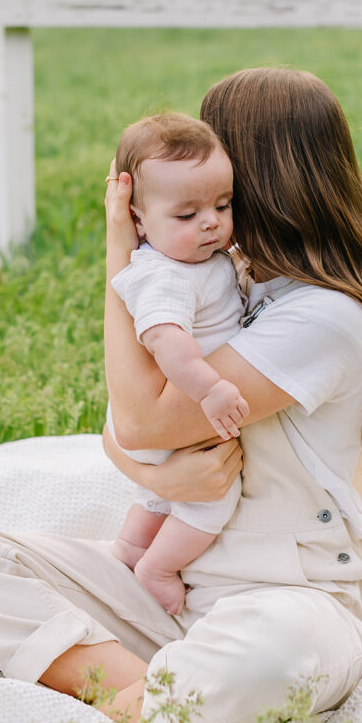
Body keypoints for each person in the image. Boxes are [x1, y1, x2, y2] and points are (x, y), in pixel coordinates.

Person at [0, 67, 362, 723]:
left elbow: (144, 421)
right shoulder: (218, 281)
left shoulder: (323, 315)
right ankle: (146, 695)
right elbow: (129, 429)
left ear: (255, 176)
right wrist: (153, 476)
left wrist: (126, 263)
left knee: (277, 651)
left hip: (284, 599)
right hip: (172, 597)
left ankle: (124, 709)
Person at [106, 112, 249, 615]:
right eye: (187, 216)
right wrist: (210, 388)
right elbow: (168, 342)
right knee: (212, 499)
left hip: (160, 420)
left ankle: (129, 548)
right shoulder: (161, 276)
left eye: (222, 205)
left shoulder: (197, 259)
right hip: (174, 410)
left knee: (163, 496)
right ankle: (159, 567)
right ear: (139, 221)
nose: (210, 221)